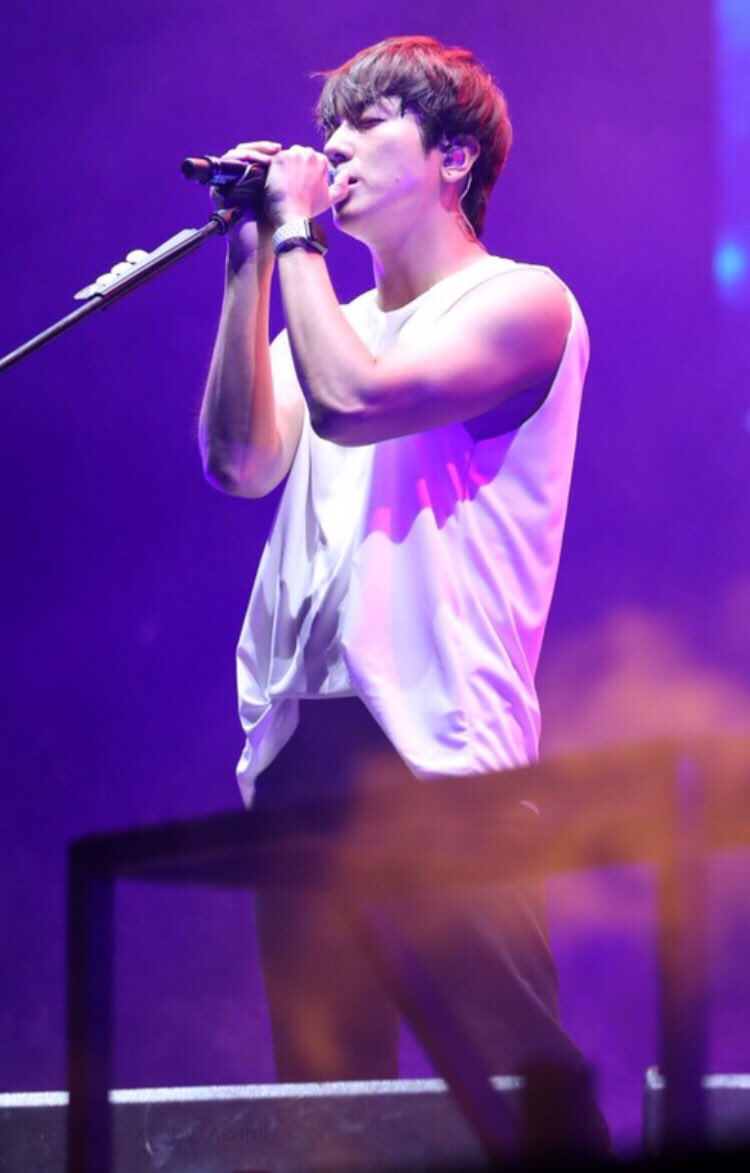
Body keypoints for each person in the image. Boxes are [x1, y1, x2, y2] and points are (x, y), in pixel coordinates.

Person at [198, 33, 607, 1145]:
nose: (332, 147)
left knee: (516, 1083)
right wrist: (251, 262)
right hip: (302, 742)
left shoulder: (524, 302)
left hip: (435, 747)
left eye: (367, 123)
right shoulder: (330, 320)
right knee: (327, 1107)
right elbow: (240, 461)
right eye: (328, 128)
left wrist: (295, 234)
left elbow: (355, 405)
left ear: (453, 159)